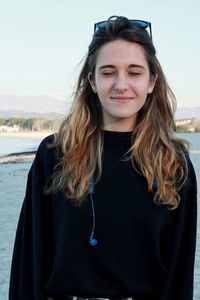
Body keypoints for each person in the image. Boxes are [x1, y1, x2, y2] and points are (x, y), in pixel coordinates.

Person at [9, 16, 197, 300]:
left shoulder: (173, 161)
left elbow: (179, 272)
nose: (121, 84)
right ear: (92, 81)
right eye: (108, 72)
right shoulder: (56, 154)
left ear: (151, 82)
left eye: (134, 72)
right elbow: (29, 261)